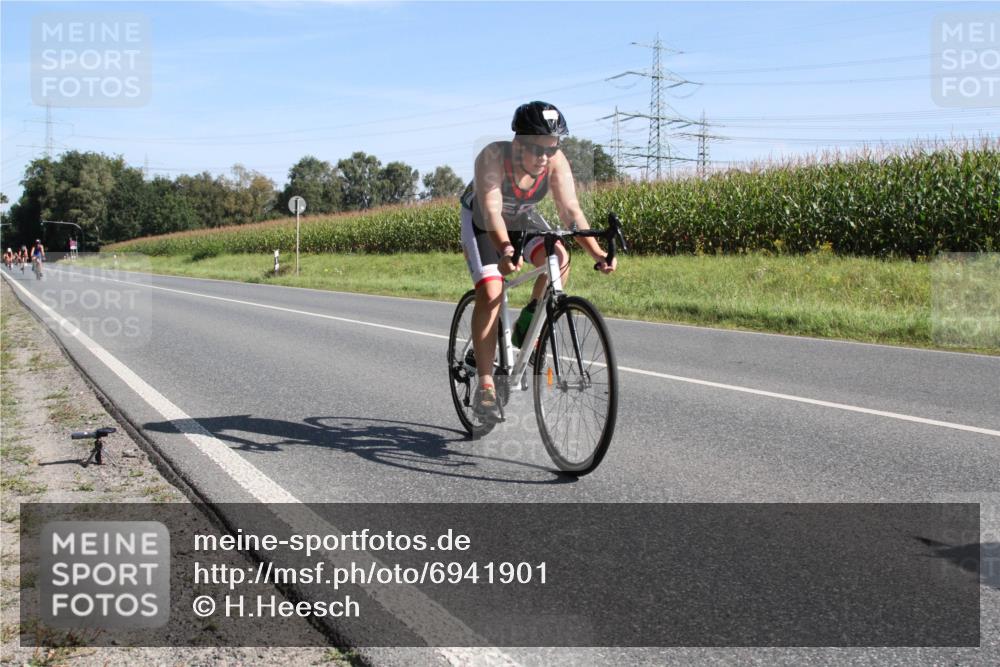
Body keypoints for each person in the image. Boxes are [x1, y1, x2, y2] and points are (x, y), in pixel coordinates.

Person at [459, 101, 617, 423]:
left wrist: (597, 252)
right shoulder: (492, 157)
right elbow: (491, 211)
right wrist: (505, 249)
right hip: (482, 223)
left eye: (552, 148)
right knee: (491, 292)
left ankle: (527, 324)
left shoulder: (555, 163)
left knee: (559, 257)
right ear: (517, 143)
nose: (545, 157)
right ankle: (486, 387)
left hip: (521, 217)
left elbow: (570, 211)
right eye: (537, 149)